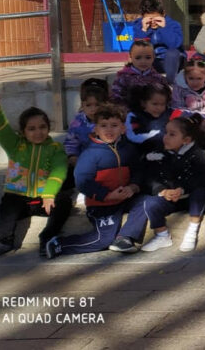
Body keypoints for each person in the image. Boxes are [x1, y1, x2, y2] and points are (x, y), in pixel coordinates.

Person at [0, 85, 72, 260]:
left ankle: (47, 238)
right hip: (19, 198)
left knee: (64, 202)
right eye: (32, 128)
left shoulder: (55, 148)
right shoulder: (15, 145)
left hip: (44, 199)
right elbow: (2, 128)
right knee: (6, 207)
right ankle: (5, 242)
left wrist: (49, 194)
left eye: (42, 127)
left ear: (48, 128)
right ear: (23, 132)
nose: (38, 132)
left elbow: (58, 172)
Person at [44, 104, 139, 259]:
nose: (109, 130)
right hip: (102, 204)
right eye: (103, 125)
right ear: (95, 129)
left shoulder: (128, 149)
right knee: (103, 240)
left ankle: (124, 237)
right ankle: (59, 244)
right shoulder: (90, 153)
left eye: (114, 125)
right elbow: (82, 181)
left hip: (125, 199)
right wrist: (107, 195)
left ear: (123, 128)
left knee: (147, 202)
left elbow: (139, 170)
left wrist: (134, 186)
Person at [110, 114, 205, 253]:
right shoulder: (157, 154)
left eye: (172, 134)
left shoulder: (197, 154)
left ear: (186, 140)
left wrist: (182, 190)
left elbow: (201, 178)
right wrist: (162, 191)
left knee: (200, 193)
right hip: (171, 198)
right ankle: (162, 235)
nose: (166, 137)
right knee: (149, 202)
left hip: (190, 197)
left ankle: (192, 231)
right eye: (166, 132)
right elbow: (150, 177)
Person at [130, 0, 185, 80]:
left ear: (163, 14)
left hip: (171, 60)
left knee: (172, 53)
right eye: (149, 19)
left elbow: (174, 44)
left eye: (156, 19)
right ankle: (141, 80)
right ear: (142, 17)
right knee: (138, 55)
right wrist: (144, 30)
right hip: (151, 60)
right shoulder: (139, 26)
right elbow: (138, 47)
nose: (153, 22)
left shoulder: (173, 25)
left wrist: (164, 28)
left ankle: (170, 82)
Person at [125, 83, 183, 154]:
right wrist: (156, 135)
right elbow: (132, 136)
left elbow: (185, 124)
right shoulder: (134, 116)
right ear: (143, 103)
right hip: (143, 153)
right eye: (155, 104)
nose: (159, 108)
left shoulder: (171, 113)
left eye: (162, 104)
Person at [65, 78, 109, 168]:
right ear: (82, 105)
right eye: (88, 105)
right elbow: (71, 142)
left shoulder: (110, 120)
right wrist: (72, 156)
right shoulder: (77, 123)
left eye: (97, 105)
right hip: (84, 161)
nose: (93, 109)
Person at [110, 39, 168, 105]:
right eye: (138, 58)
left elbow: (167, 98)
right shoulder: (123, 77)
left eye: (148, 58)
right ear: (130, 57)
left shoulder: (158, 78)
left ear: (153, 57)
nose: (143, 61)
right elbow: (115, 98)